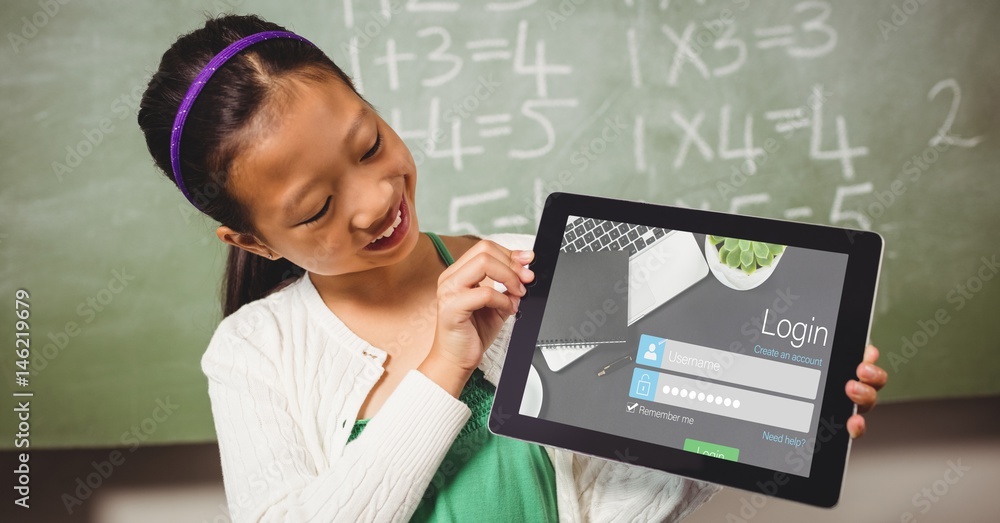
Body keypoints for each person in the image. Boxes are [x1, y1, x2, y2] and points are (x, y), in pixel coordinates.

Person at [137, 14, 889, 522]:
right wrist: (444, 364)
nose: (372, 201)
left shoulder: (549, 265)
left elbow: (645, 480)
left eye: (368, 145)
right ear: (254, 242)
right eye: (315, 209)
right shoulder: (253, 352)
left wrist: (778, 414)